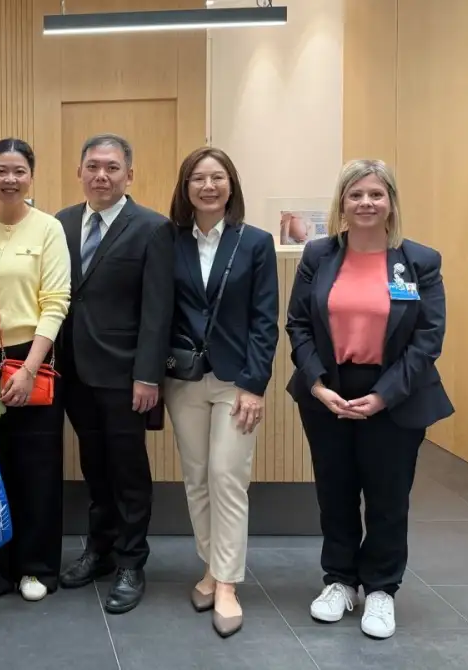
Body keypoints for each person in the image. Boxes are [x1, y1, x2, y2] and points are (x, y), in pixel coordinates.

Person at [285, 158, 453, 640]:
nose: (366, 203)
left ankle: (381, 588)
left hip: (396, 393)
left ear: (391, 202)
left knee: (387, 495)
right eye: (356, 194)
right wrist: (317, 384)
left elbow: (427, 338)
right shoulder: (318, 255)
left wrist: (383, 395)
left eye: (376, 194)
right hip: (329, 391)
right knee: (334, 491)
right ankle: (340, 580)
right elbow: (298, 324)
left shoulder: (418, 261)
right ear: (342, 202)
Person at [163, 147, 279, 637]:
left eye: (217, 177)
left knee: (227, 476)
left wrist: (255, 385)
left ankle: (227, 583)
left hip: (236, 381)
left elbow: (265, 320)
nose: (208, 186)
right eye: (198, 178)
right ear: (185, 187)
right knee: (196, 478)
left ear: (231, 185)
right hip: (184, 378)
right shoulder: (168, 240)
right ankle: (211, 567)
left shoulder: (255, 242)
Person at [56, 134, 173, 614]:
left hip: (126, 375)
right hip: (73, 370)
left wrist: (148, 375)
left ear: (129, 174)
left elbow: (158, 310)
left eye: (111, 167)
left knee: (128, 470)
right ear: (79, 171)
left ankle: (131, 561)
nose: (101, 176)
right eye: (92, 166)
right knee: (94, 465)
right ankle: (100, 549)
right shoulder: (61, 223)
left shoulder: (152, 228)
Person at [0, 138, 71, 602]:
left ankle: (36, 567)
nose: (10, 179)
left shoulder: (49, 228)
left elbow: (56, 301)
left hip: (33, 357)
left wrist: (30, 367)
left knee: (37, 467)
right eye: (1, 170)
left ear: (31, 176)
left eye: (19, 171)